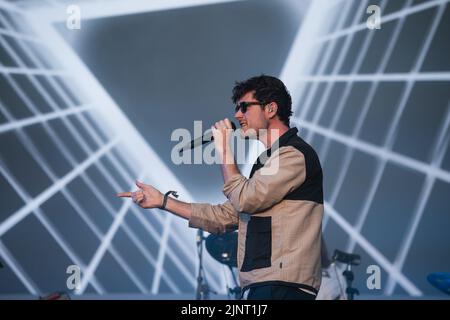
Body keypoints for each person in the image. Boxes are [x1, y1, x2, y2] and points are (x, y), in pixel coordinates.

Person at [117, 75, 324, 300]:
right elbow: (226, 216)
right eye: (237, 108)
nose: (237, 115)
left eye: (244, 107)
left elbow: (245, 199)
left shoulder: (293, 155)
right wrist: (164, 202)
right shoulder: (267, 161)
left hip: (283, 285)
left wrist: (224, 148)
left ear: (271, 108)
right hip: (264, 283)